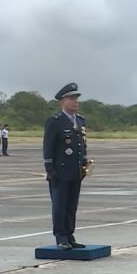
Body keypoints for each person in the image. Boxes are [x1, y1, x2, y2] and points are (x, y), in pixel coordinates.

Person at [43, 83, 89, 250]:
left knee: (72, 205)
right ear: (62, 101)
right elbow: (48, 147)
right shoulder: (55, 122)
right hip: (60, 171)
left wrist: (84, 163)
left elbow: (82, 145)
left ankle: (70, 235)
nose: (75, 102)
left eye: (76, 98)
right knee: (60, 205)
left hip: (75, 171)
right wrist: (49, 169)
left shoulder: (81, 121)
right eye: (71, 99)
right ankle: (61, 237)